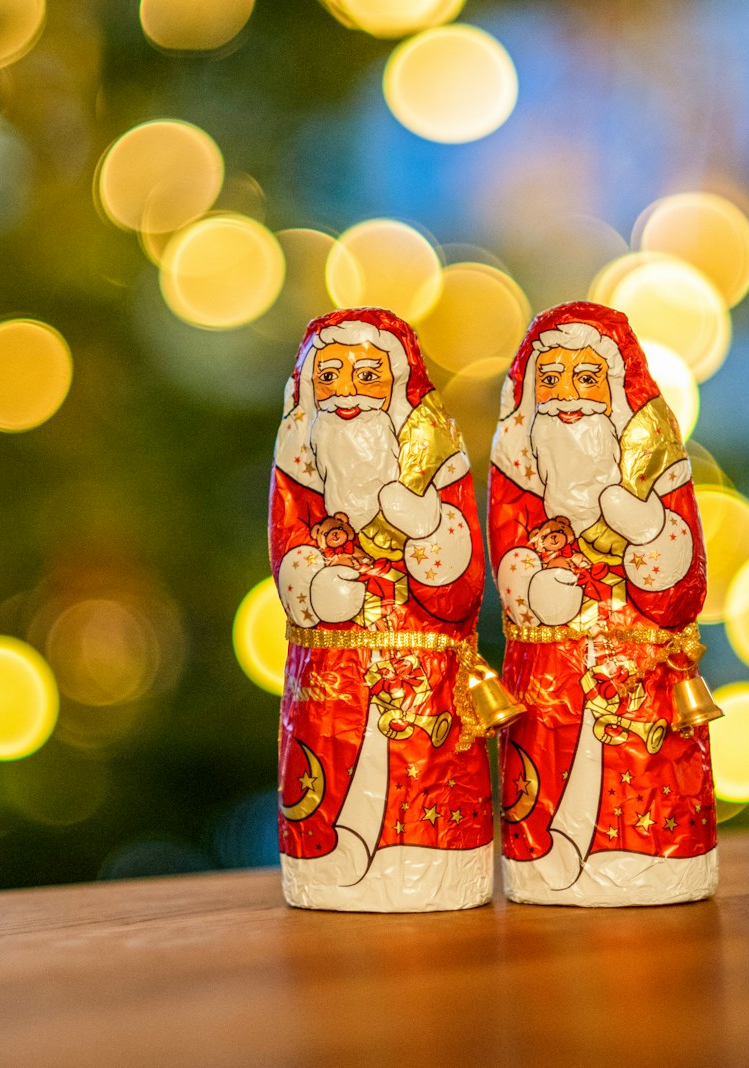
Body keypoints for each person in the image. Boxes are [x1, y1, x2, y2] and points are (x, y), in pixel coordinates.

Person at [489, 301, 718, 906]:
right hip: (549, 667)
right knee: (554, 762)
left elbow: (684, 578)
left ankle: (649, 858)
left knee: (639, 767)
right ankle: (550, 851)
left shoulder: (655, 458)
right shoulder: (518, 458)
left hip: (642, 668)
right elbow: (506, 546)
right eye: (552, 379)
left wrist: (646, 530)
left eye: (587, 379)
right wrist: (535, 585)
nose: (568, 397)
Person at [271, 308, 492, 912]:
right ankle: (327, 856)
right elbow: (287, 539)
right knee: (334, 771)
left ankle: (421, 858)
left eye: (367, 376)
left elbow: (465, 582)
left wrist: (427, 532)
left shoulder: (435, 460)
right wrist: (313, 585)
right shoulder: (300, 460)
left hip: (422, 676)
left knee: (413, 774)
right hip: (331, 675)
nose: (346, 393)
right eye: (330, 376)